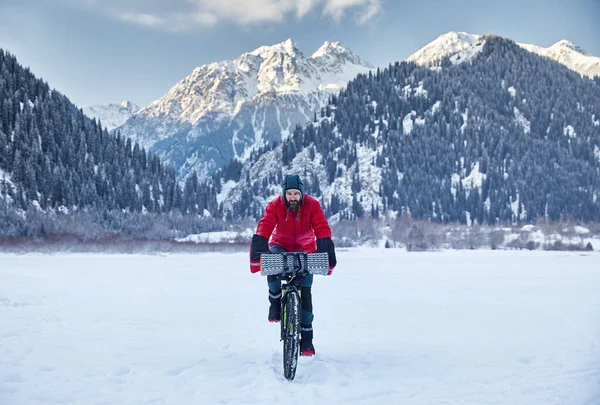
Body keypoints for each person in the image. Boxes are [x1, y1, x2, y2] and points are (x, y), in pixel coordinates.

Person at [249, 174, 337, 357]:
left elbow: (321, 227)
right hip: (280, 245)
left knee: (305, 292)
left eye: (296, 193)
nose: (293, 197)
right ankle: (274, 302)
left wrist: (324, 246)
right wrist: (260, 245)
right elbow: (265, 225)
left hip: (306, 248)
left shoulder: (312, 205)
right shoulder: (275, 205)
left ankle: (306, 340)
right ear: (284, 194)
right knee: (272, 266)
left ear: (302, 193)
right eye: (289, 194)